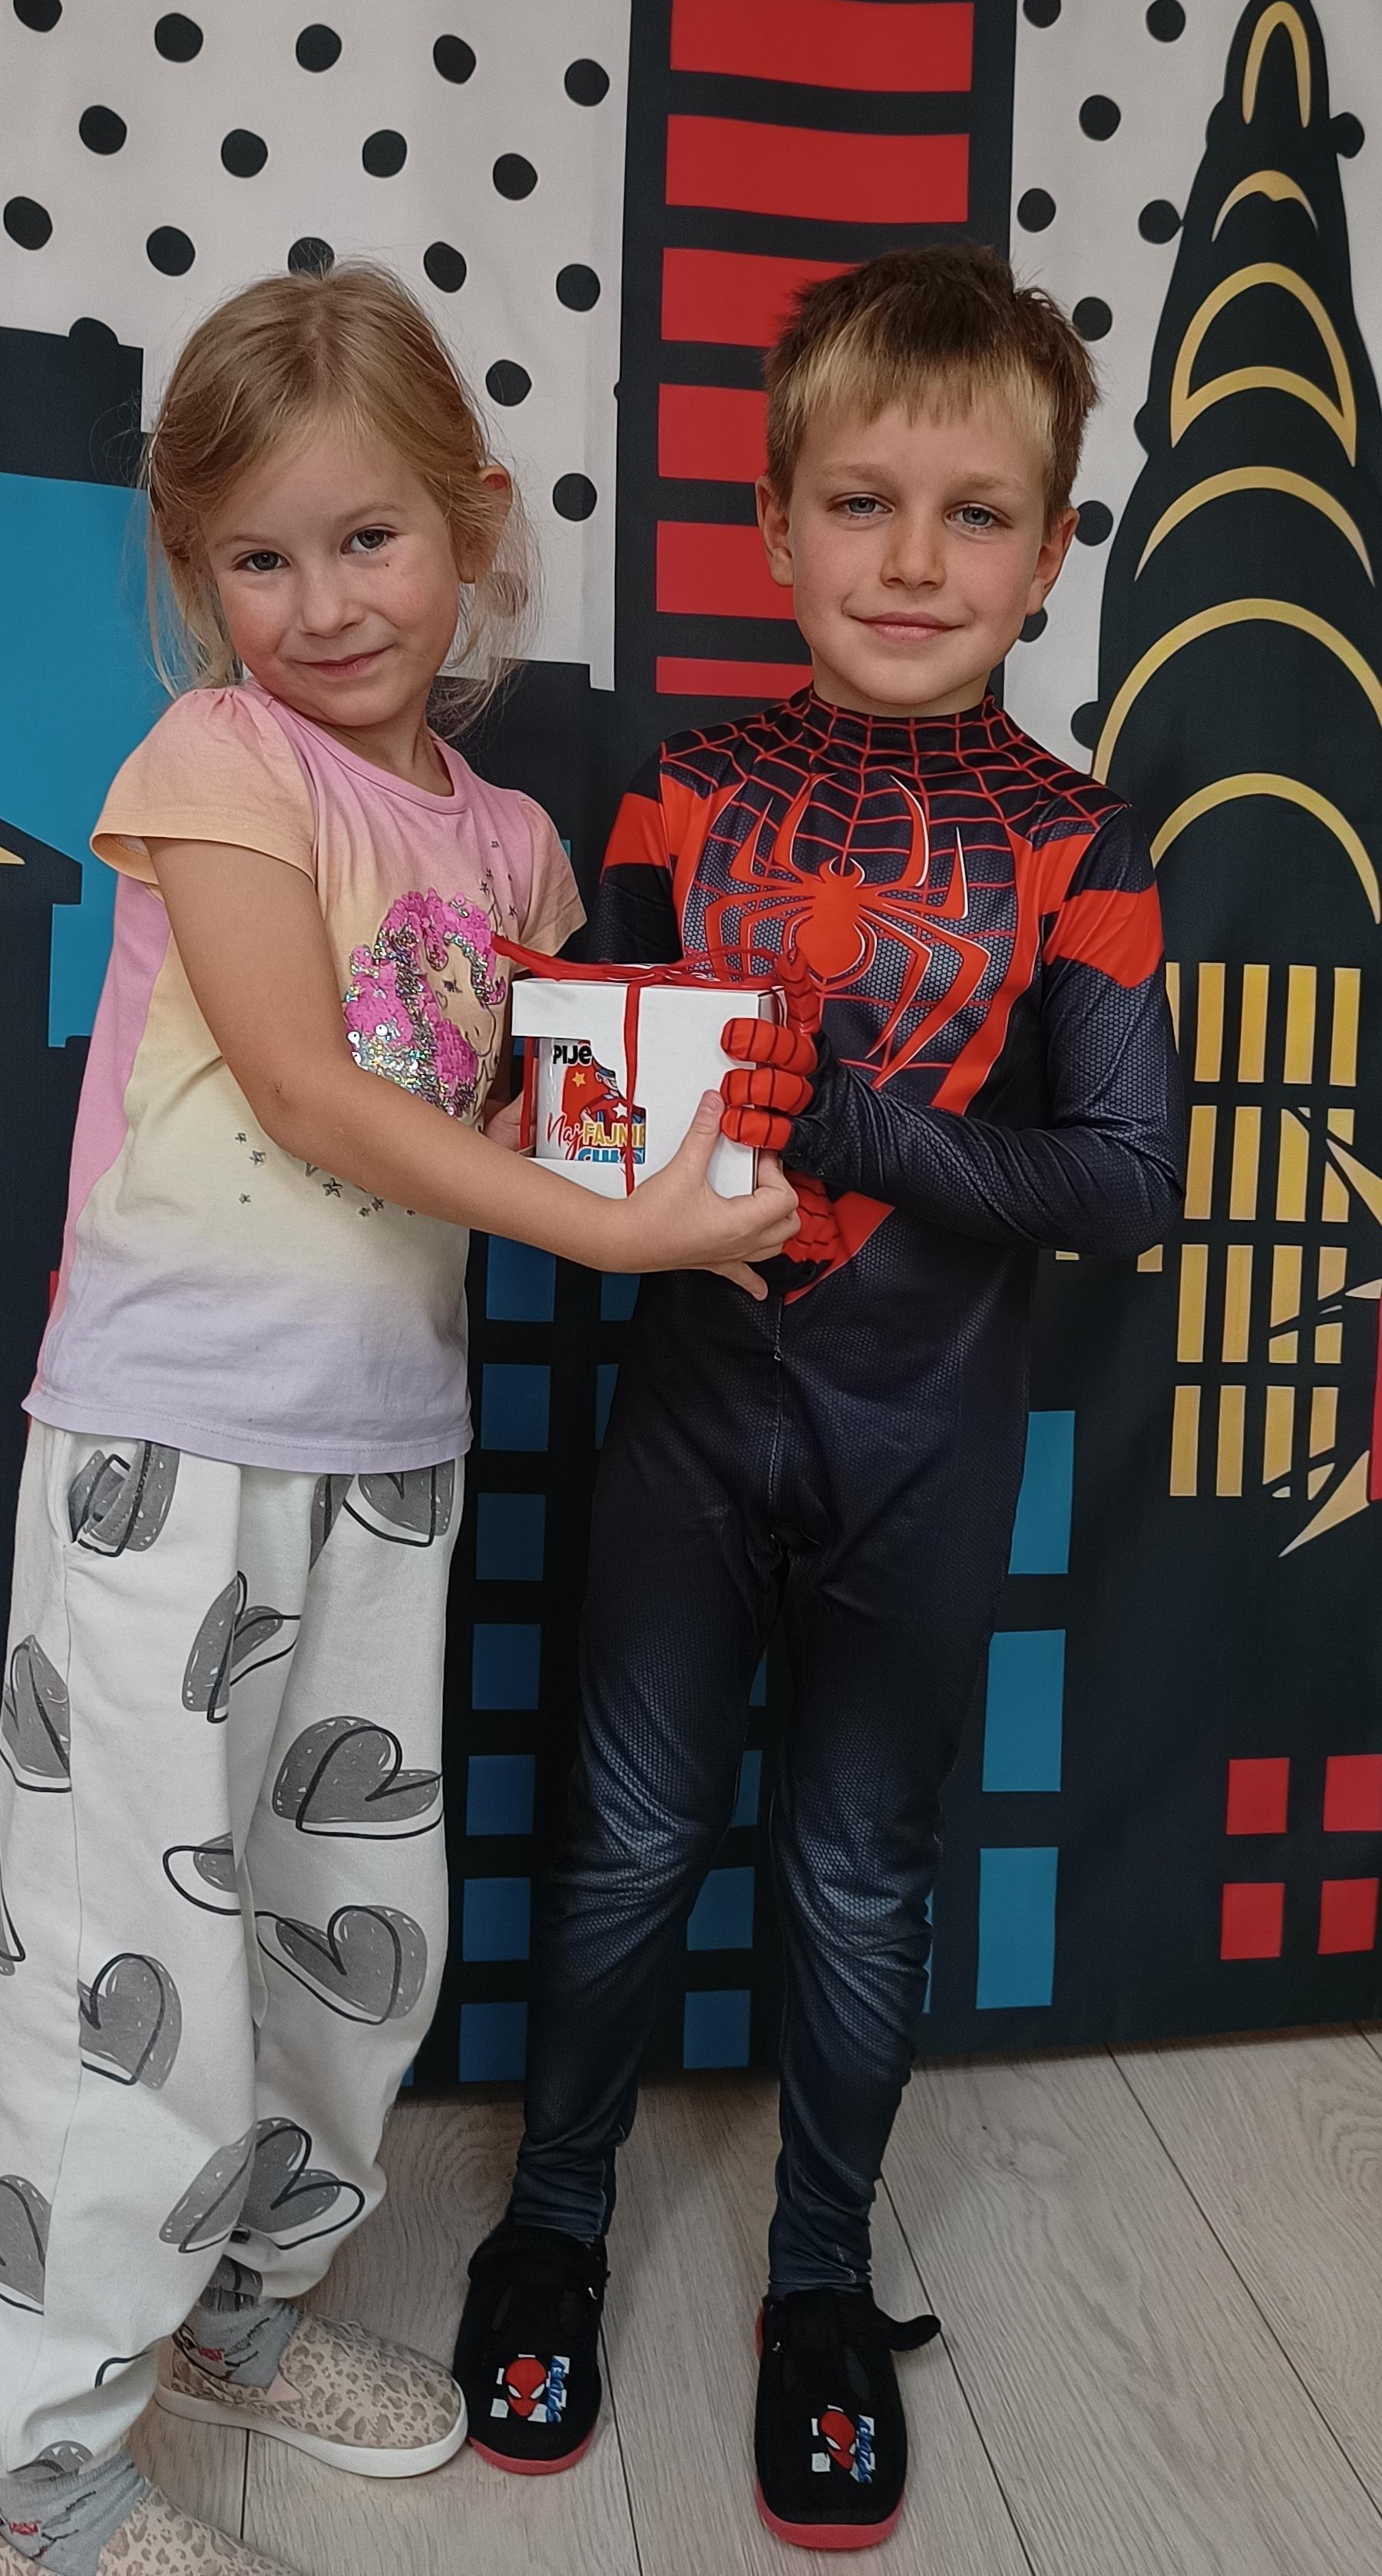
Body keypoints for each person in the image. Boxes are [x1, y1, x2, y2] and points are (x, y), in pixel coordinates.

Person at [0, 263, 798, 2576]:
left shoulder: (509, 840)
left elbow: (519, 1100)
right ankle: (43, 2456)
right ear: (195, 575)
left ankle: (242, 2314)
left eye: (370, 538)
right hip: (166, 1452)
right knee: (129, 1974)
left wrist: (682, 1132)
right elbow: (309, 1091)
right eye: (261, 557)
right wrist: (619, 1227)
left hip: (386, 1459)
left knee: (351, 1929)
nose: (325, 601)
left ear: (477, 530)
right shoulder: (218, 769)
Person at [454, 246, 1185, 2548]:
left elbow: (1129, 1181)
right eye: (861, 503)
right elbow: (584, 1110)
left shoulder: (1083, 842)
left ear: (1051, 555)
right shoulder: (682, 793)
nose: (912, 560)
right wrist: (522, 1039)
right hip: (690, 1421)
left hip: (921, 1454)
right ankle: (551, 2225)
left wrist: (858, 1123)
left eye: (976, 515)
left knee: (862, 1876)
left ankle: (818, 2283)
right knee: (623, 1844)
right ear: (772, 525)